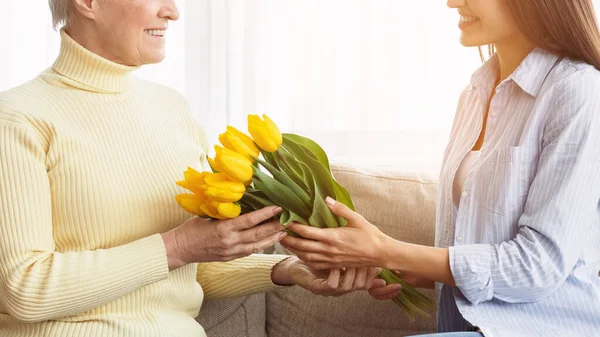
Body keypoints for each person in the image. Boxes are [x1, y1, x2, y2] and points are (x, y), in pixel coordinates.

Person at [0, 1, 383, 336]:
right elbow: (26, 289)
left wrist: (288, 269)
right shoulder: (18, 119)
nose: (173, 11)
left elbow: (185, 269)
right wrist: (179, 245)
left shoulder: (172, 110)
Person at [282, 0, 600, 336]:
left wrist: (387, 250)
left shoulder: (578, 90)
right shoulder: (474, 95)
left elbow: (539, 266)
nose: (452, 2)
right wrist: (392, 264)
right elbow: (476, 248)